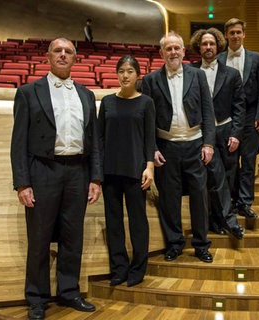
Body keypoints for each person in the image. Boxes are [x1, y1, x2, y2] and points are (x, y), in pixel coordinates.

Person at [10, 38, 100, 320]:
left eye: (68, 51)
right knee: (39, 237)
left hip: (78, 171)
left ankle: (69, 291)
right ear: (47, 57)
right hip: (43, 171)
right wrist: (22, 182)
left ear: (76, 58)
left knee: (73, 236)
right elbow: (18, 142)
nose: (63, 55)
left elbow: (95, 140)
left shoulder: (86, 95)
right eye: (58, 51)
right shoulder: (28, 92)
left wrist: (96, 178)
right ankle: (37, 297)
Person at [141, 31, 216, 263]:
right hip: (166, 147)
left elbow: (208, 111)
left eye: (177, 48)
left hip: (195, 144)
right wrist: (152, 149)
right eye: (168, 48)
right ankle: (174, 243)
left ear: (183, 51)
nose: (173, 52)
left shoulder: (198, 75)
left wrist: (209, 143)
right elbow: (147, 120)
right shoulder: (151, 80)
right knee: (169, 198)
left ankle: (201, 245)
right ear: (161, 53)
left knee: (199, 198)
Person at [97, 55, 155, 287]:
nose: (125, 75)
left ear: (137, 75)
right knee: (113, 222)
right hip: (110, 171)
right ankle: (119, 268)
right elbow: (100, 139)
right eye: (121, 70)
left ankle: (138, 268)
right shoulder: (108, 102)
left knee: (137, 221)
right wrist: (97, 173)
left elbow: (150, 139)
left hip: (135, 170)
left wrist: (149, 167)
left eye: (130, 71)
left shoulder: (146, 103)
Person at [189, 28, 246, 239]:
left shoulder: (231, 74)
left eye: (212, 44)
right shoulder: (191, 72)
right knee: (211, 179)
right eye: (204, 44)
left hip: (226, 131)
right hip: (204, 133)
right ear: (199, 47)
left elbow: (240, 107)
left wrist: (236, 134)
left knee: (228, 179)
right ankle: (221, 221)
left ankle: (219, 221)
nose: (208, 47)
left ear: (218, 45)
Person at [218, 18, 259, 221]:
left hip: (250, 116)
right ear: (226, 35)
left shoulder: (256, 58)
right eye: (232, 33)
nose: (236, 36)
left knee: (248, 161)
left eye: (239, 32)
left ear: (244, 34)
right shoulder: (219, 59)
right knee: (229, 162)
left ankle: (245, 203)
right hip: (227, 117)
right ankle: (228, 201)